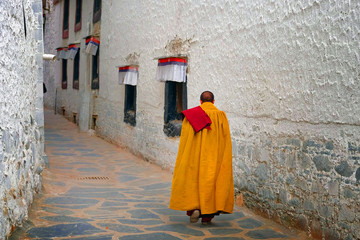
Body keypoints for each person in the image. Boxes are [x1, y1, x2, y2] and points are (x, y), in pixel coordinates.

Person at [169, 91, 234, 225]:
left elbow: (186, 140)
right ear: (213, 102)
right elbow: (225, 139)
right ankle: (207, 216)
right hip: (214, 157)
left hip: (195, 157)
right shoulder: (221, 116)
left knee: (194, 181)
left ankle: (194, 208)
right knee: (211, 184)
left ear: (200, 102)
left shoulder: (192, 115)